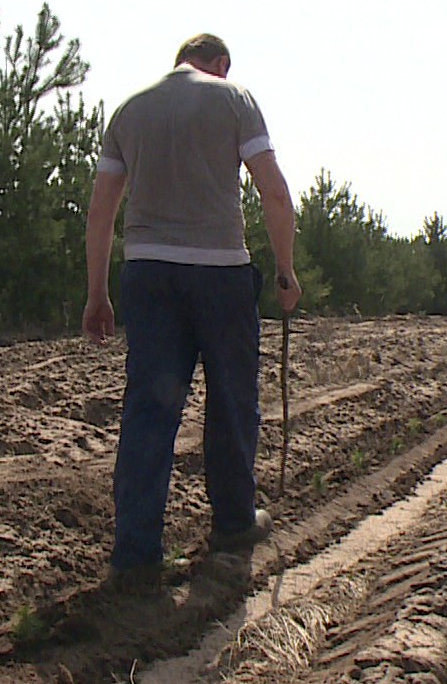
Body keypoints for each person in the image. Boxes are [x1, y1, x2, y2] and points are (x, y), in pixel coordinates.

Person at [83, 33, 301, 592]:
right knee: (231, 401)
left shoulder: (131, 110)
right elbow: (274, 193)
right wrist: (284, 269)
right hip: (221, 274)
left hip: (149, 274)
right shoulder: (235, 100)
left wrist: (97, 294)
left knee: (149, 412)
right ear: (220, 64)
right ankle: (232, 523)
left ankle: (135, 554)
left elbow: (101, 211)